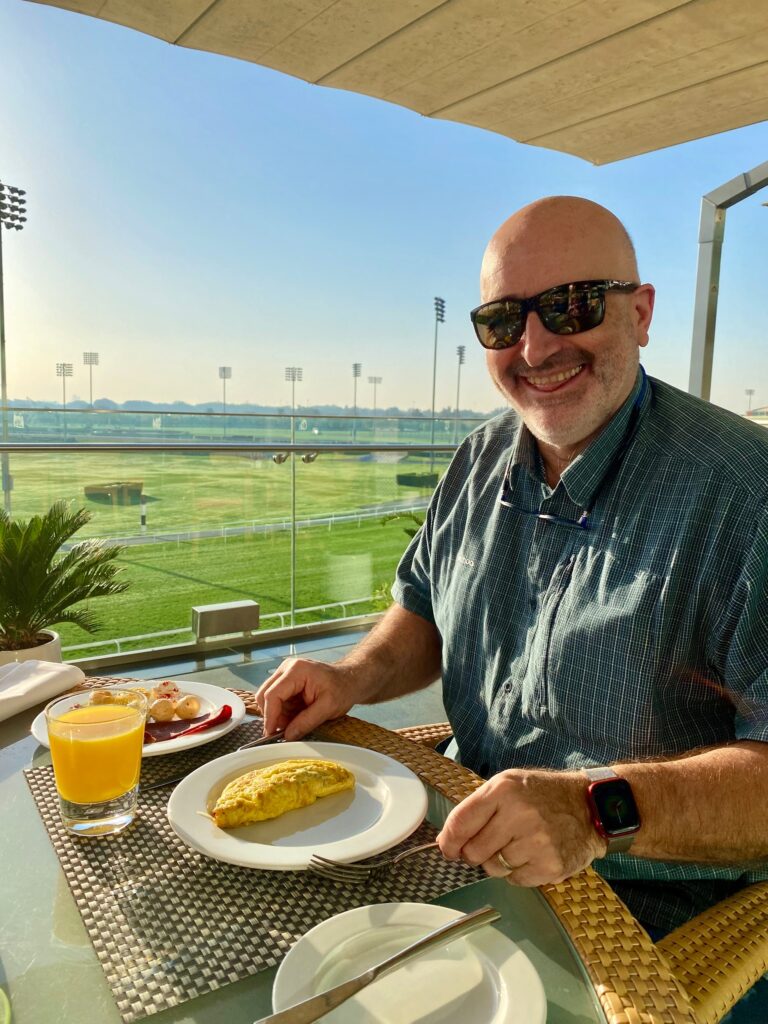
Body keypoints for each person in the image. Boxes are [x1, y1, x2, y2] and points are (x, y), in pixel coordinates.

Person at [256, 196, 768, 1018]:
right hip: (457, 844)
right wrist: (351, 676)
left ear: (640, 313)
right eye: (502, 321)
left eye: (571, 305)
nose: (535, 347)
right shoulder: (479, 457)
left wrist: (596, 810)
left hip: (645, 911)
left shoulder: (749, 493)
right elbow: (424, 610)